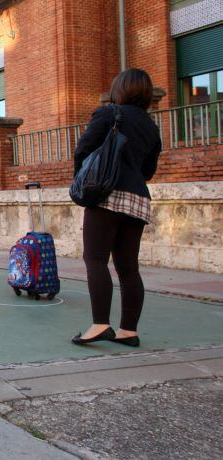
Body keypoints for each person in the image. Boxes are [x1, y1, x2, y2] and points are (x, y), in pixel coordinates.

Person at [71, 69, 161, 348]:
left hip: (106, 194)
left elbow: (83, 150)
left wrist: (82, 179)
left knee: (95, 259)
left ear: (119, 89)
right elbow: (148, 170)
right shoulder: (151, 125)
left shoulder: (109, 114)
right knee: (128, 268)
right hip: (138, 200)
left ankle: (100, 324)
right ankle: (128, 331)